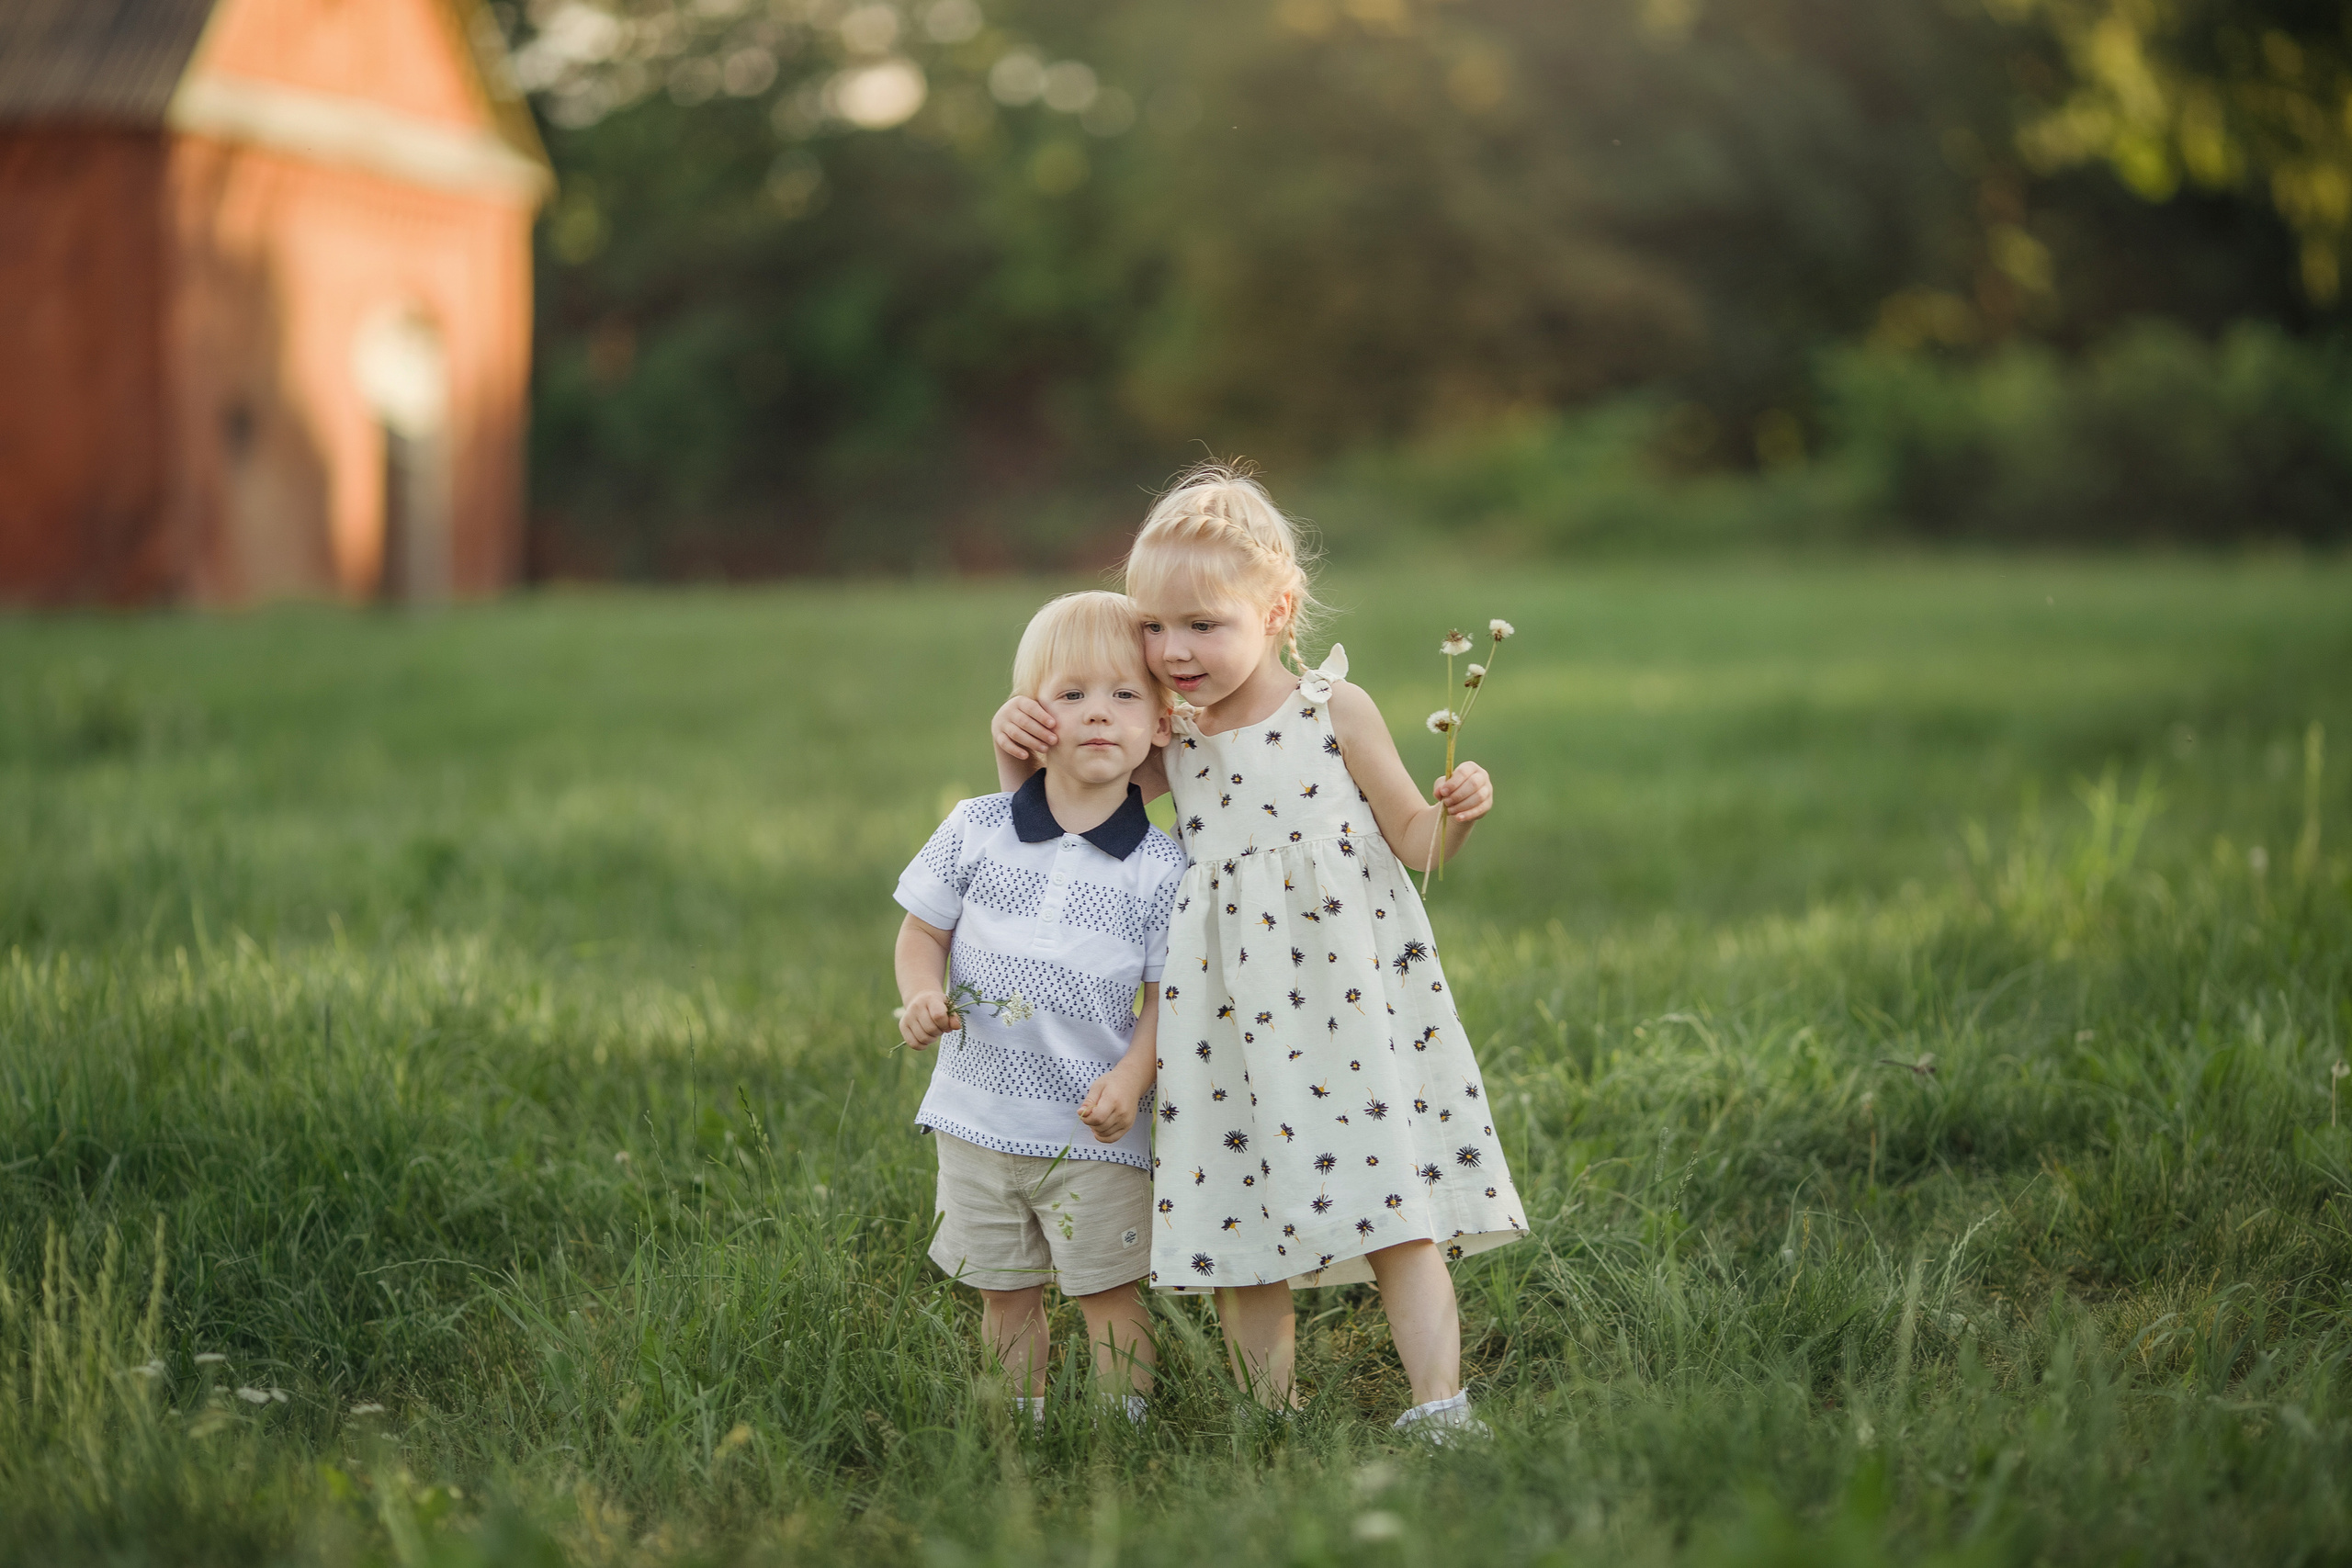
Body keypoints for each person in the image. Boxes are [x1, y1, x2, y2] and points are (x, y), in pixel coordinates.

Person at [993, 465, 1526, 1440]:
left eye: (1203, 624)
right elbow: (1063, 820)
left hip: (1351, 1004)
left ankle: (1441, 1407)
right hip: (1227, 1014)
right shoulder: (1173, 738)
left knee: (1395, 1201)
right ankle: (1269, 1418)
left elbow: (1417, 843)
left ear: (1277, 609)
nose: (1173, 650)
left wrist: (1459, 814)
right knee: (1244, 1212)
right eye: (1153, 626)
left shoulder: (1334, 711)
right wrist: (1014, 748)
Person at [895, 591, 1184, 1426]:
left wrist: (1134, 1075)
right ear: (1029, 714)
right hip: (975, 1118)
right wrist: (920, 992)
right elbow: (922, 932)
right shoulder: (976, 827)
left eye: (1125, 695)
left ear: (1161, 724)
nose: (1098, 714)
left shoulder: (1161, 869)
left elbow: (1166, 999)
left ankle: (1120, 1423)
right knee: (1004, 1287)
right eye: (1071, 694)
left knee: (1106, 1288)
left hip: (1093, 1130)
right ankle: (1020, 1418)